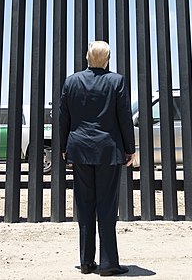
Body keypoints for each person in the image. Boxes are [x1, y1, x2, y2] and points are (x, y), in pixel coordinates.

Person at [60, 41, 136, 277]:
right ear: (108, 58)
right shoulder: (116, 81)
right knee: (107, 206)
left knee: (84, 206)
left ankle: (86, 262)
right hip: (108, 151)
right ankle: (108, 263)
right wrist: (130, 149)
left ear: (87, 57)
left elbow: (64, 117)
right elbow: (124, 117)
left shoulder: (72, 81)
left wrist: (63, 147)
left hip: (79, 149)